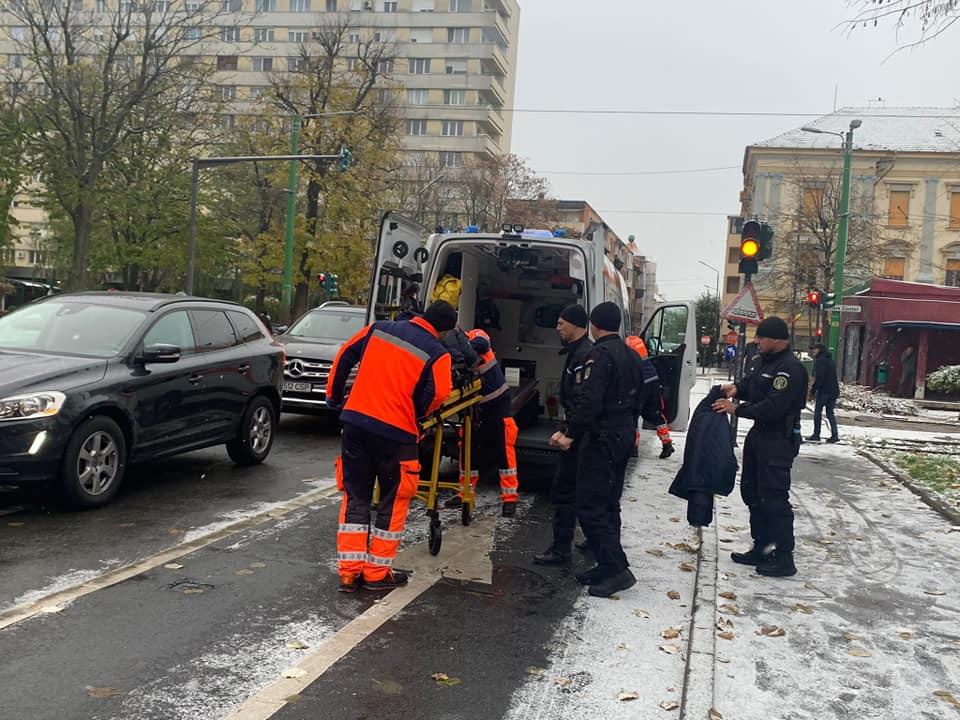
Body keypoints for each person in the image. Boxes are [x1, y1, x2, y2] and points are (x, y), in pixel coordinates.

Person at [326, 300, 457, 593]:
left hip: (356, 424)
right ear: (443, 331)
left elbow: (345, 355)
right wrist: (418, 413)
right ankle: (375, 573)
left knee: (356, 497)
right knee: (392, 501)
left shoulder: (378, 329)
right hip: (397, 435)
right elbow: (438, 393)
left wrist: (335, 397)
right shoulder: (438, 353)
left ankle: (349, 573)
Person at [552, 302, 642, 598]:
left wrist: (570, 434)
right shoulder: (630, 354)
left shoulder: (599, 356)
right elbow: (646, 395)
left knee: (590, 505)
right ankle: (605, 564)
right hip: (622, 435)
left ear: (593, 324)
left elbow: (589, 401)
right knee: (607, 502)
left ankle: (617, 569)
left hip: (601, 438)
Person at [712, 316, 808, 578]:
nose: (757, 342)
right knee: (753, 492)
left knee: (774, 496)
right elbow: (753, 386)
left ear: (776, 339)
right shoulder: (764, 362)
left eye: (761, 338)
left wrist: (737, 409)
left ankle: (784, 555)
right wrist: (736, 389)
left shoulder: (790, 369)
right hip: (759, 437)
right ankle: (762, 545)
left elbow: (773, 407)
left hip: (778, 439)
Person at [533, 304, 593, 567]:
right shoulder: (577, 352)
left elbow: (584, 401)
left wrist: (568, 433)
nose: (557, 327)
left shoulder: (584, 354)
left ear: (576, 325)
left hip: (580, 437)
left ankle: (561, 550)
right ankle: (583, 544)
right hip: (580, 433)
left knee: (566, 492)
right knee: (576, 493)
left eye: (561, 323)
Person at [445, 328, 519, 517]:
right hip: (474, 410)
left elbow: (483, 343)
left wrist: (462, 351)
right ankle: (464, 494)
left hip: (498, 407)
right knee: (468, 454)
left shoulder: (475, 335)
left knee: (505, 453)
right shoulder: (448, 350)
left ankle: (510, 499)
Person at [625, 334, 675, 459]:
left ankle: (633, 448)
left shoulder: (629, 351)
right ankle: (667, 443)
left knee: (633, 415)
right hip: (653, 381)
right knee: (656, 414)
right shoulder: (644, 356)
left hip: (640, 384)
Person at [807, 342, 839, 443]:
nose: (813, 351)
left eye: (814, 349)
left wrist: (812, 391)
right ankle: (835, 435)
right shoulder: (830, 360)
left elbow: (819, 378)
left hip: (824, 391)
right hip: (834, 390)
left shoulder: (820, 361)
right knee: (830, 413)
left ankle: (816, 434)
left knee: (817, 413)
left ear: (819, 350)